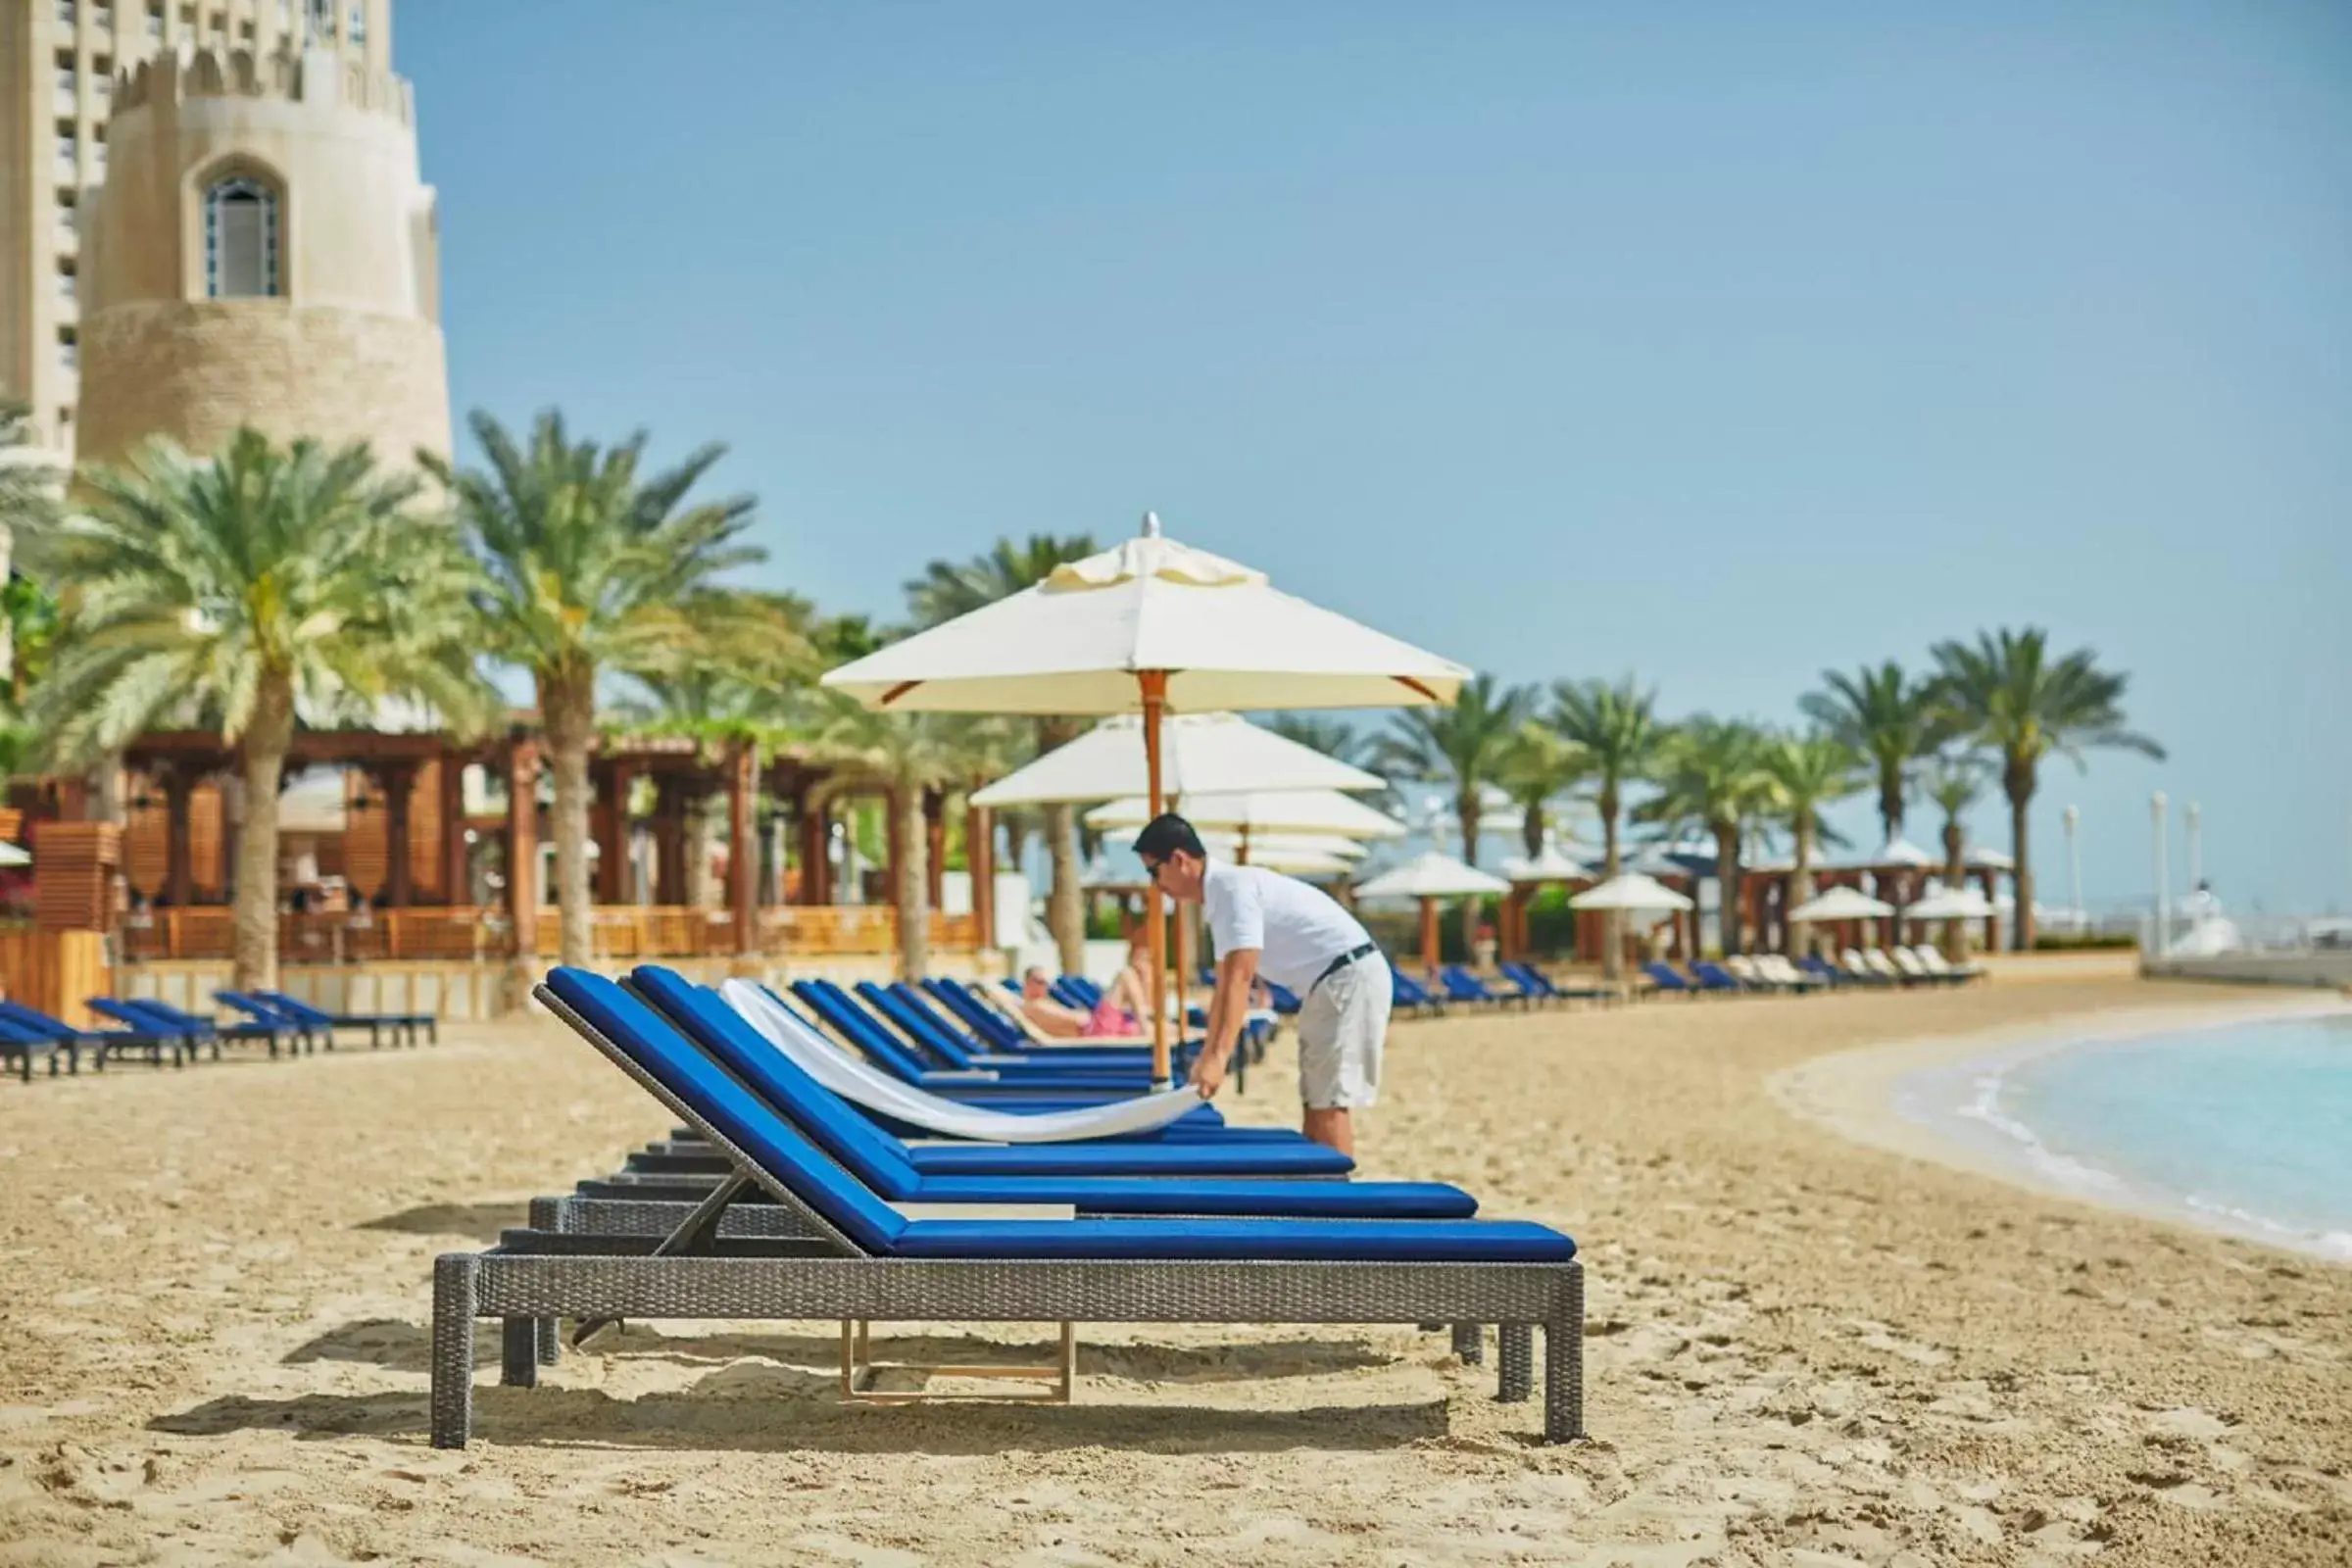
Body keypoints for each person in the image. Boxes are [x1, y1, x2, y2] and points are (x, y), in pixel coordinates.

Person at [1134, 812, 1390, 1155]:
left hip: (1346, 976)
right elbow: (1224, 985)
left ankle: (1338, 1204)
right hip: (1331, 981)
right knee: (1316, 1097)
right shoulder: (1222, 895)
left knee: (1329, 1101)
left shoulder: (1232, 889)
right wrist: (1209, 1054)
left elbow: (1240, 978)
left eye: (1154, 871)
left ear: (1179, 860)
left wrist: (1217, 1058)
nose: (1155, 884)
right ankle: (1321, 1192)